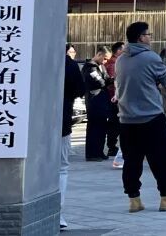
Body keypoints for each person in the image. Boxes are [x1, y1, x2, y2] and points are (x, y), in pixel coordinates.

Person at [115, 21, 166, 213]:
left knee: (131, 161)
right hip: (151, 117)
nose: (151, 38)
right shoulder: (151, 57)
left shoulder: (120, 60)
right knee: (160, 159)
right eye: (148, 34)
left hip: (126, 119)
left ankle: (134, 200)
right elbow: (164, 79)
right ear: (140, 38)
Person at [61, 44, 85, 231]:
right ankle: (57, 213)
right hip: (61, 121)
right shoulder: (67, 64)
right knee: (61, 167)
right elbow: (79, 89)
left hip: (33, 124)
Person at [82, 46, 112, 160]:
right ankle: (92, 154)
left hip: (102, 102)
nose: (105, 61)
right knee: (94, 128)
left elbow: (106, 79)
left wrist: (111, 80)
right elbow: (100, 82)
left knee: (102, 128)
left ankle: (99, 152)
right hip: (94, 102)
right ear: (99, 54)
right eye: (105, 58)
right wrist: (107, 81)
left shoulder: (101, 66)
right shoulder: (90, 67)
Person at [106, 41, 124, 167]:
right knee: (116, 126)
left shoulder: (117, 63)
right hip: (116, 100)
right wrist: (117, 95)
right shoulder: (116, 63)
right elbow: (116, 81)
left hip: (116, 98)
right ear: (118, 51)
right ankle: (114, 150)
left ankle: (115, 151)